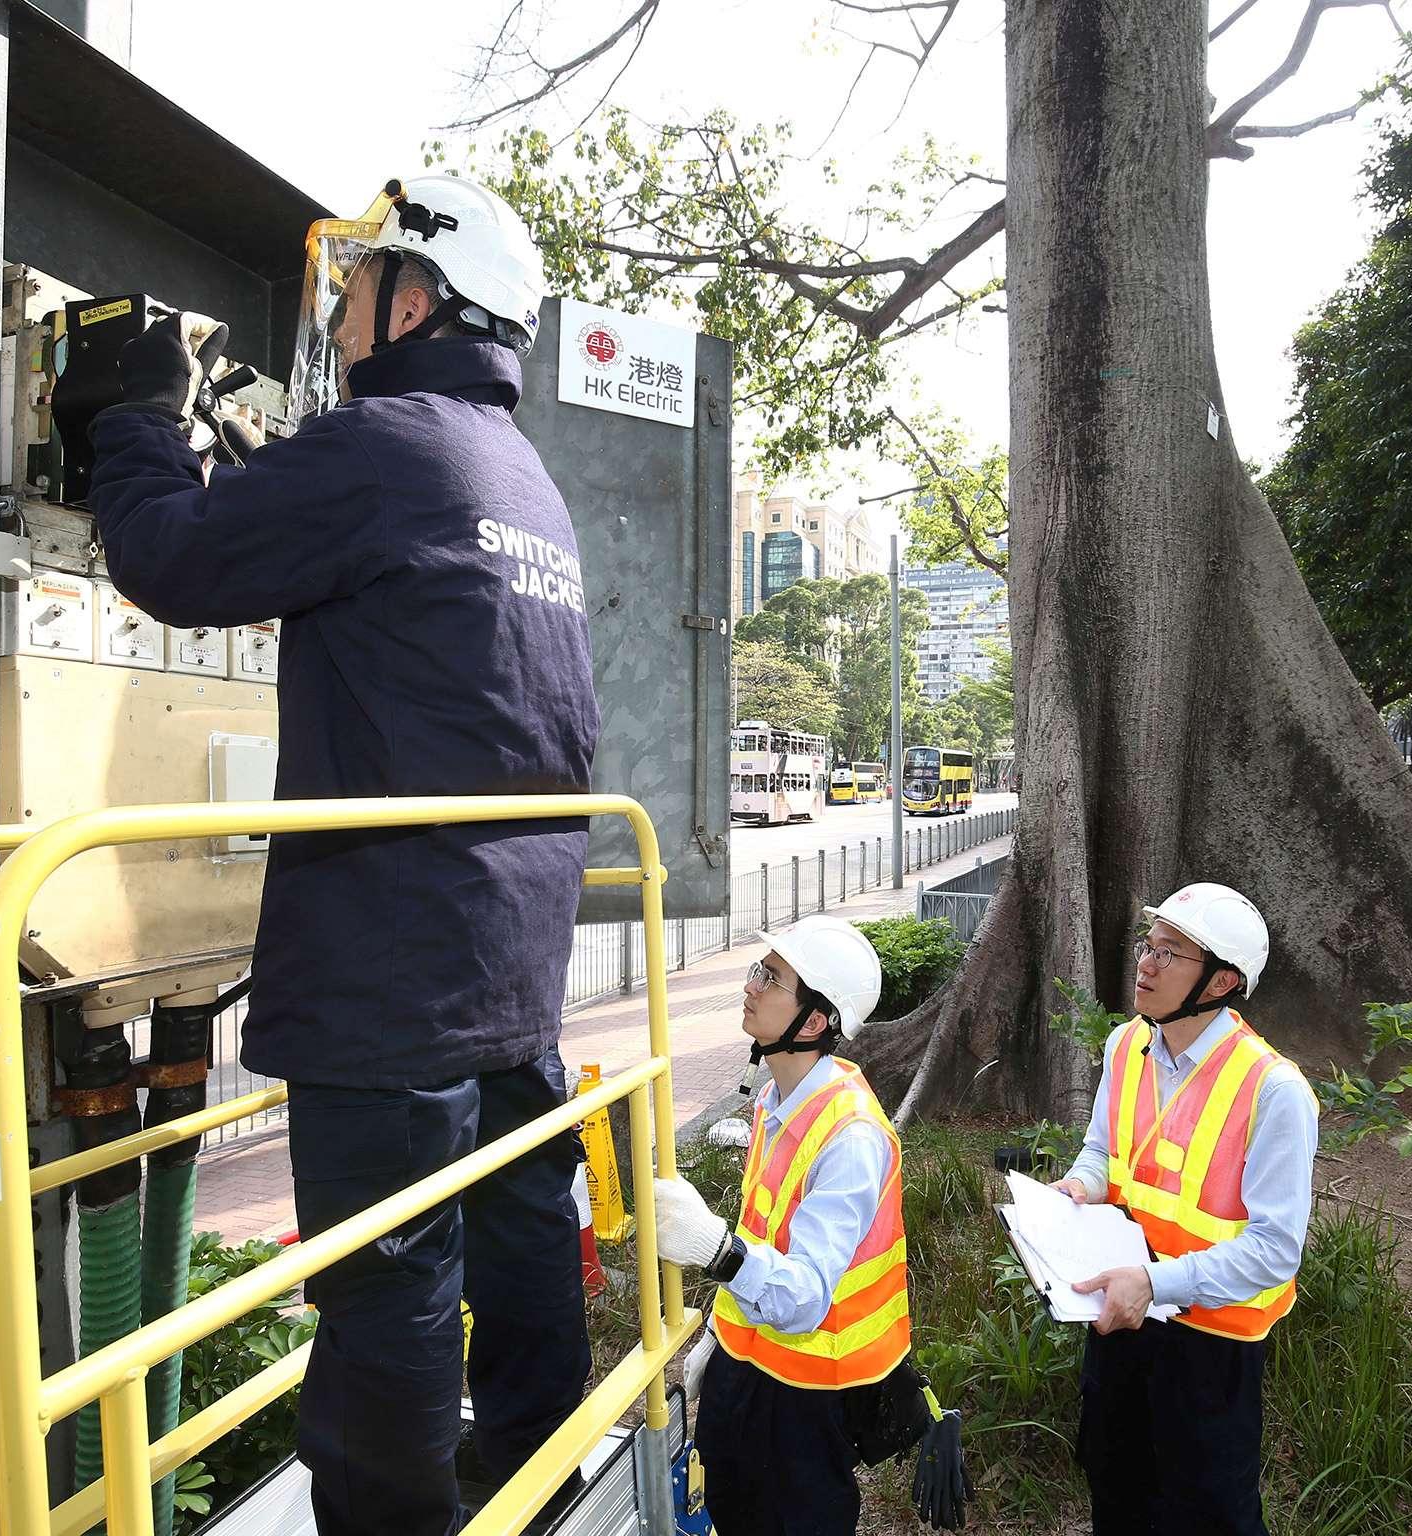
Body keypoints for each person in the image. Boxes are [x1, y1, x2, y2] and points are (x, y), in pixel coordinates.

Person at [87, 174, 599, 1536]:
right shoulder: (518, 477)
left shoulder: (382, 442)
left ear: (417, 300)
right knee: (520, 1225)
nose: (345, 310)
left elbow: (178, 565)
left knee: (386, 1290)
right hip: (507, 959)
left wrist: (137, 420)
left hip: (389, 975)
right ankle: (543, 1479)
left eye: (362, 283)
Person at [653, 918, 961, 1536]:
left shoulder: (850, 1138)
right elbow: (764, 1237)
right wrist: (718, 1336)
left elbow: (805, 1298)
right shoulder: (776, 1102)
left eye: (770, 977)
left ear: (814, 1021)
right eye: (756, 969)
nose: (750, 984)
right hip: (748, 1366)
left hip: (805, 1396)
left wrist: (713, 1248)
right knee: (729, 1512)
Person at [1051, 883, 1317, 1536]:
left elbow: (1276, 1250)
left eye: (1170, 953)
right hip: (1118, 1318)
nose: (1145, 963)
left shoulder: (1274, 1091)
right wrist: (1080, 1188)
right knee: (1116, 1489)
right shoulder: (1126, 1046)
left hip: (1211, 1349)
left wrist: (1157, 1281)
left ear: (1222, 981)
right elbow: (1101, 1153)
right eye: (1149, 945)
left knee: (1208, 1513)